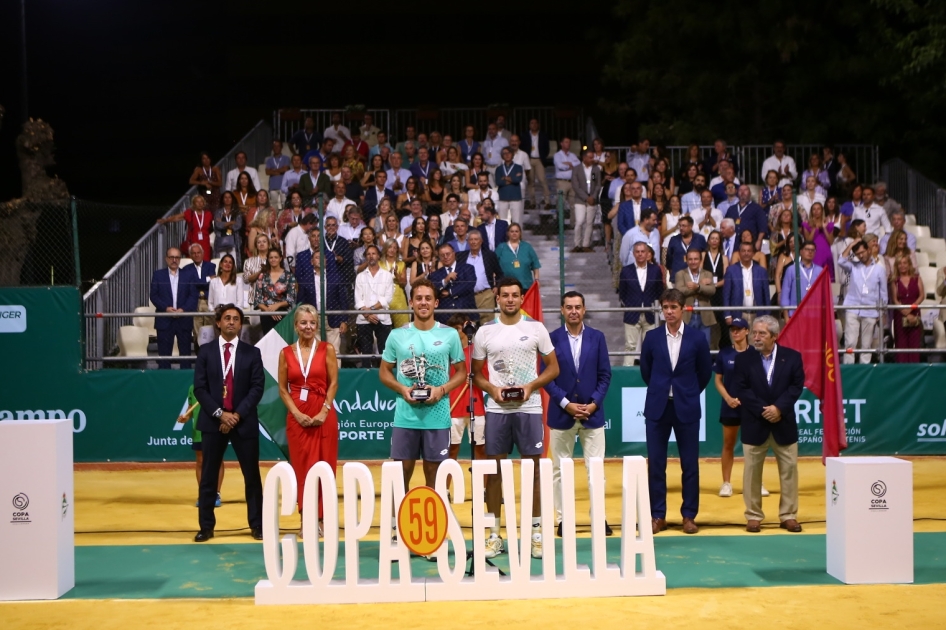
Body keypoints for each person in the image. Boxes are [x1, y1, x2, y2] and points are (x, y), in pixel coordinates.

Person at [471, 277, 560, 559]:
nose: (510, 299)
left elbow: (553, 368)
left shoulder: (535, 328)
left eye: (515, 295)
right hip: (497, 410)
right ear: (497, 298)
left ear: (522, 299)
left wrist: (531, 386)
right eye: (505, 295)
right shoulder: (485, 332)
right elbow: (476, 374)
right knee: (494, 473)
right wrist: (492, 390)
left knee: (534, 472)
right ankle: (495, 535)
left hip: (530, 408)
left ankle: (535, 535)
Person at [380, 278, 466, 531]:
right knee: (400, 476)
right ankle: (399, 529)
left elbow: (461, 371)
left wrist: (441, 389)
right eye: (419, 298)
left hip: (437, 418)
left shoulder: (449, 334)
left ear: (436, 302)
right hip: (405, 417)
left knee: (436, 478)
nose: (423, 303)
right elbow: (384, 372)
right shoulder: (397, 335)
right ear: (411, 302)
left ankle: (434, 531)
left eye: (428, 298)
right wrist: (403, 389)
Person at [640, 289, 712, 535]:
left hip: (687, 407)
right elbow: (646, 373)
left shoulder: (697, 338)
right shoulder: (651, 337)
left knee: (690, 465)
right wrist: (663, 390)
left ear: (683, 309)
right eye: (665, 307)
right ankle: (657, 515)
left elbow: (704, 373)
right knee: (656, 464)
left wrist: (687, 392)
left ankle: (689, 515)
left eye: (673, 307)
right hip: (658, 408)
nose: (669, 312)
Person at [192, 303, 265, 542]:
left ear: (240, 324)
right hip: (213, 422)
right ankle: (206, 526)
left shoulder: (252, 353)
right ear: (218, 322)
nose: (231, 322)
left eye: (236, 318)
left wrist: (236, 415)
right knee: (208, 477)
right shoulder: (205, 351)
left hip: (243, 421)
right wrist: (219, 414)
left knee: (252, 476)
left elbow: (257, 388)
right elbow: (200, 389)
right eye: (227, 318)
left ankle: (257, 525)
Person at [543, 291, 613, 536]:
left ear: (584, 310)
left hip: (592, 415)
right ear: (562, 310)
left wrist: (593, 404)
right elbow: (547, 378)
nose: (573, 311)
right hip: (562, 415)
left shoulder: (598, 338)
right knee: (560, 471)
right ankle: (564, 520)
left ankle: (599, 519)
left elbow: (605, 375)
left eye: (577, 307)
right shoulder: (550, 339)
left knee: (596, 471)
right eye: (569, 307)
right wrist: (565, 403)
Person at [730, 316, 805, 534]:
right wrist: (765, 410)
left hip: (784, 423)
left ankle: (789, 515)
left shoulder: (792, 358)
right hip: (755, 423)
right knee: (752, 472)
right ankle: (753, 516)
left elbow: (796, 386)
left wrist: (779, 408)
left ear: (775, 336)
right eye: (754, 333)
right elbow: (741, 388)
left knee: (789, 471)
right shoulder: (744, 360)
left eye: (762, 333)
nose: (756, 337)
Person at [278, 305, 339, 535]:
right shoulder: (285, 353)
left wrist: (324, 410)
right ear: (295, 326)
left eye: (312, 323)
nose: (308, 327)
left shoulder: (328, 349)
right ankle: (306, 519)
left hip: (323, 415)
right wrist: (296, 413)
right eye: (303, 323)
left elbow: (333, 383)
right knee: (302, 468)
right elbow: (283, 389)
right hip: (297, 417)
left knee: (324, 466)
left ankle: (322, 519)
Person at [712, 318, 770, 498]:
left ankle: (756, 482)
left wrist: (752, 401)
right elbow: (718, 381)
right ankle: (726, 483)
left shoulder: (756, 353)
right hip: (730, 406)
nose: (735, 332)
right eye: (732, 330)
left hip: (751, 407)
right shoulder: (725, 353)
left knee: (754, 446)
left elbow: (761, 379)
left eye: (739, 329)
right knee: (728, 444)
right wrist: (728, 398)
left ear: (747, 331)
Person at [295, 227, 349, 355]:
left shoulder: (335, 278)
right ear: (311, 261)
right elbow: (301, 301)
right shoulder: (306, 280)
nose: (320, 260)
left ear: (327, 261)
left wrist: (344, 320)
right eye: (317, 258)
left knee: (334, 352)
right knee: (314, 352)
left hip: (333, 318)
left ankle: (335, 375)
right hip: (312, 318)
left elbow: (343, 299)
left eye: (322, 258)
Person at [446, 314, 487, 463]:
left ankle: (483, 487)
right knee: (451, 451)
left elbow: (486, 378)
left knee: (481, 450)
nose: (455, 333)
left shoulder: (478, 352)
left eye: (458, 329)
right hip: (454, 408)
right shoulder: (447, 353)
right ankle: (446, 487)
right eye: (452, 330)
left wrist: (476, 377)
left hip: (476, 407)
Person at [839, 239, 888, 363]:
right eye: (858, 254)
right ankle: (849, 370)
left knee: (866, 344)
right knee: (850, 342)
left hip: (870, 309)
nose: (861, 255)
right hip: (852, 307)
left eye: (863, 252)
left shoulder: (879, 269)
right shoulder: (854, 266)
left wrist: (882, 312)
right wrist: (851, 245)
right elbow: (841, 260)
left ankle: (864, 371)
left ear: (869, 250)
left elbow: (883, 293)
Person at [176, 384, 224, 507]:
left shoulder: (219, 385)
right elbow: (191, 408)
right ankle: (204, 494)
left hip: (215, 428)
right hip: (198, 430)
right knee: (200, 462)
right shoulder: (193, 388)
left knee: (217, 460)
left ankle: (216, 493)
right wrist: (185, 417)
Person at [619, 241, 664, 366]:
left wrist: (656, 307)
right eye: (637, 252)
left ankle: (649, 375)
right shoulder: (626, 271)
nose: (640, 254)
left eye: (642, 251)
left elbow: (660, 290)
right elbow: (622, 292)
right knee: (630, 346)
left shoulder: (655, 270)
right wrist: (629, 306)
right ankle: (626, 375)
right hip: (632, 313)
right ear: (633, 254)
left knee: (651, 347)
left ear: (647, 253)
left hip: (651, 313)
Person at [150, 248, 196, 369]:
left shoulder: (189, 275)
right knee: (164, 358)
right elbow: (153, 296)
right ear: (166, 259)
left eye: (177, 257)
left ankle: (185, 385)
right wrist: (166, 309)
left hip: (183, 319)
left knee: (185, 357)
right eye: (171, 257)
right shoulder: (158, 275)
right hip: (165, 320)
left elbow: (193, 296)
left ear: (180, 259)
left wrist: (183, 310)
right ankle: (164, 384)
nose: (174, 260)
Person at [354, 245, 394, 366]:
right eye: (368, 254)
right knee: (365, 352)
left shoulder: (387, 275)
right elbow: (358, 299)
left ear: (378, 256)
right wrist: (367, 315)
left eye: (374, 253)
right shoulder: (360, 276)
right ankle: (366, 375)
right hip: (363, 319)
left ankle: (383, 378)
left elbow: (388, 299)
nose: (371, 256)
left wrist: (370, 310)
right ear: (366, 257)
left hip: (382, 318)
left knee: (384, 352)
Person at [457, 230, 501, 323]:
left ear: (481, 241)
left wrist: (497, 287)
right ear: (467, 242)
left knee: (487, 326)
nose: (473, 242)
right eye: (471, 239)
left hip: (486, 296)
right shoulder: (460, 256)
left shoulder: (489, 255)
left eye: (476, 239)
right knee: (468, 325)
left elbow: (499, 273)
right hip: (467, 297)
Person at [675, 249, 716, 346]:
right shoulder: (680, 274)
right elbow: (679, 291)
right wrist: (700, 286)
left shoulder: (708, 274)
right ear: (686, 260)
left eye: (696, 259)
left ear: (700, 260)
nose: (693, 262)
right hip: (687, 316)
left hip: (704, 316)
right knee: (686, 346)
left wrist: (697, 286)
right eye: (690, 259)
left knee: (704, 347)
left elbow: (712, 290)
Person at [723, 242, 770, 326]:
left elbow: (766, 295)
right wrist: (727, 315)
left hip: (757, 316)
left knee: (756, 339)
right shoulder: (731, 270)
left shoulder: (761, 271)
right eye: (743, 251)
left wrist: (767, 316)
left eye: (749, 251)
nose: (746, 253)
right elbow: (726, 295)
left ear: (753, 253)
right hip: (738, 315)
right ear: (739, 253)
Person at [428, 243, 477, 324]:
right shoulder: (435, 275)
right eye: (442, 255)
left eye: (448, 254)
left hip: (466, 313)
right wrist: (445, 280)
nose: (445, 257)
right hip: (444, 317)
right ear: (439, 257)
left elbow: (469, 284)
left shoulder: (468, 268)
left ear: (454, 253)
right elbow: (433, 289)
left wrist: (450, 292)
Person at [251, 248, 296, 334]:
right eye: (271, 257)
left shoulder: (289, 276)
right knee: (268, 342)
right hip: (266, 313)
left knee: (283, 342)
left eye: (276, 257)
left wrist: (277, 305)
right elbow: (257, 299)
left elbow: (291, 298)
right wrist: (269, 311)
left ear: (280, 258)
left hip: (283, 313)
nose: (273, 259)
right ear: (268, 259)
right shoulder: (262, 276)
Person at [890, 256, 924, 363]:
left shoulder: (917, 278)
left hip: (915, 312)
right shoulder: (894, 280)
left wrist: (911, 308)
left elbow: (922, 295)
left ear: (909, 264)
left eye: (905, 263)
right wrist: (905, 311)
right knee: (901, 344)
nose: (902, 266)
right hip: (900, 314)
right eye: (900, 264)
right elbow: (894, 299)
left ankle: (915, 372)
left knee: (914, 344)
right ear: (897, 266)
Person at [181, 243, 217, 345]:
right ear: (190, 255)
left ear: (202, 253)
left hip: (208, 301)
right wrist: (207, 279)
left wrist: (197, 282)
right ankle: (199, 355)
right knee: (197, 331)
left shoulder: (211, 266)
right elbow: (192, 284)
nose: (196, 255)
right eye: (194, 253)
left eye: (198, 253)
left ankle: (210, 355)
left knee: (210, 329)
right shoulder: (186, 269)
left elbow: (211, 283)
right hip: (195, 302)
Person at [569, 150, 603, 253]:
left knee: (589, 223)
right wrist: (586, 198)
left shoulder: (596, 169)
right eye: (590, 157)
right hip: (580, 200)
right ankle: (577, 244)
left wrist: (593, 196)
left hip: (592, 199)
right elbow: (576, 186)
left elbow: (598, 184)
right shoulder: (576, 169)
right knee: (579, 221)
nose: (593, 159)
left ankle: (586, 245)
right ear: (584, 158)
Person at [780, 241, 823, 318]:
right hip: (795, 315)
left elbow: (824, 293)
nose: (810, 252)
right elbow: (785, 295)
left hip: (815, 315)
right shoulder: (791, 269)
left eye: (812, 250)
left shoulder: (820, 270)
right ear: (801, 251)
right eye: (807, 249)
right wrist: (786, 318)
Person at [495, 223, 540, 291]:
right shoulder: (501, 247)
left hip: (525, 286)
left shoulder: (527, 247)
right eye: (512, 231)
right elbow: (494, 265)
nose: (514, 233)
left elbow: (535, 265)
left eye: (516, 231)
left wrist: (537, 279)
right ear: (508, 233)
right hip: (506, 286)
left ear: (520, 233)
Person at [725, 185, 768, 252]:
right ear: (737, 193)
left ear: (750, 193)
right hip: (734, 243)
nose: (742, 192)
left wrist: (759, 241)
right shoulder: (731, 209)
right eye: (740, 190)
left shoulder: (757, 208)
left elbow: (762, 226)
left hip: (751, 243)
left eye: (745, 190)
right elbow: (725, 225)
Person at [801, 202, 836, 280]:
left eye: (818, 209)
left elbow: (831, 241)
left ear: (822, 211)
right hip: (814, 255)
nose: (816, 211)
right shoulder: (806, 225)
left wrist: (824, 228)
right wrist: (815, 228)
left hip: (826, 255)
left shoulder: (829, 225)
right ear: (811, 211)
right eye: (814, 209)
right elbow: (808, 241)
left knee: (827, 281)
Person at [379, 238, 409, 330]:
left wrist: (397, 275)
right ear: (385, 249)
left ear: (397, 250)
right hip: (382, 299)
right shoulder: (379, 264)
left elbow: (404, 283)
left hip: (399, 299)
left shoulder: (401, 264)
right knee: (383, 331)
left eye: (394, 248)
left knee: (402, 329)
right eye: (389, 247)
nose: (392, 250)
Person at [522, 118, 551, 209]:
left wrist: (543, 157)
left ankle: (547, 202)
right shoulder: (525, 135)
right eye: (532, 123)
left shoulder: (543, 135)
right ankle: (532, 202)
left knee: (543, 180)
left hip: (539, 160)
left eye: (535, 123)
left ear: (538, 125)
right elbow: (523, 147)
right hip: (529, 159)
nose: (534, 125)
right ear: (529, 125)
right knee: (531, 182)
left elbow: (547, 148)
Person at [496, 147, 525, 225]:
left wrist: (504, 178)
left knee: (516, 221)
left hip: (515, 197)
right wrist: (511, 179)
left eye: (509, 153)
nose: (507, 155)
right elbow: (498, 182)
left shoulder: (518, 167)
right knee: (502, 221)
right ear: (502, 156)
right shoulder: (499, 169)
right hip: (502, 197)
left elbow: (518, 179)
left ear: (512, 154)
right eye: (504, 153)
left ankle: (518, 237)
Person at [213, 199, 243, 265]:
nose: (227, 199)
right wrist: (231, 222)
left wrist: (223, 223)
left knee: (234, 260)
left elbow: (238, 225)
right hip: (221, 238)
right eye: (225, 197)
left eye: (229, 197)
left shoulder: (237, 212)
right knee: (221, 260)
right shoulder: (218, 212)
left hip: (234, 239)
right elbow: (218, 225)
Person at [553, 138, 580, 210]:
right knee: (560, 204)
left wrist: (568, 164)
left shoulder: (573, 155)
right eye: (566, 142)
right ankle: (559, 221)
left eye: (569, 142)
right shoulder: (557, 155)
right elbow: (560, 166)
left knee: (574, 205)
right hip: (562, 182)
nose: (568, 144)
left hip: (573, 182)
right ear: (561, 143)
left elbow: (579, 165)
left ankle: (573, 221)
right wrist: (571, 166)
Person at [264, 140, 289, 210]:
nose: (276, 148)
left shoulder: (286, 158)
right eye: (274, 146)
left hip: (283, 186)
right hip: (273, 186)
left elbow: (285, 169)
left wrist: (273, 170)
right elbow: (267, 172)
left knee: (285, 206)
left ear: (281, 147)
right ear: (272, 148)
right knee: (273, 207)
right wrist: (280, 170)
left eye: (278, 146)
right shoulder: (269, 160)